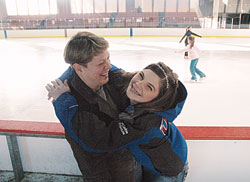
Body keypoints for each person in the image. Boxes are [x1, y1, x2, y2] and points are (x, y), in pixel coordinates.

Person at [46, 61, 189, 182]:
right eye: (141, 75)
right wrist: (78, 62)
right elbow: (110, 68)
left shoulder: (144, 124)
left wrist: (63, 99)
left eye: (149, 87)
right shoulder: (136, 88)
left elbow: (99, 139)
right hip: (164, 152)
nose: (138, 84)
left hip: (169, 170)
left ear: (158, 100)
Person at [46, 31, 140, 182]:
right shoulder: (68, 100)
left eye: (108, 59)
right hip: (98, 169)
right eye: (101, 63)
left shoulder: (109, 77)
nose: (108, 66)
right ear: (79, 68)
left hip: (124, 161)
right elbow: (96, 139)